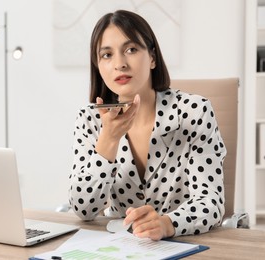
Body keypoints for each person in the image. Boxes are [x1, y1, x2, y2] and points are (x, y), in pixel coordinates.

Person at [69, 10, 226, 241]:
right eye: (106, 55)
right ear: (98, 66)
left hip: (183, 244)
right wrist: (108, 140)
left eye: (131, 50)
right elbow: (84, 210)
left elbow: (211, 202)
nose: (119, 64)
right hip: (117, 248)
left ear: (152, 57)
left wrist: (166, 224)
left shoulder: (194, 112)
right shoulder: (89, 120)